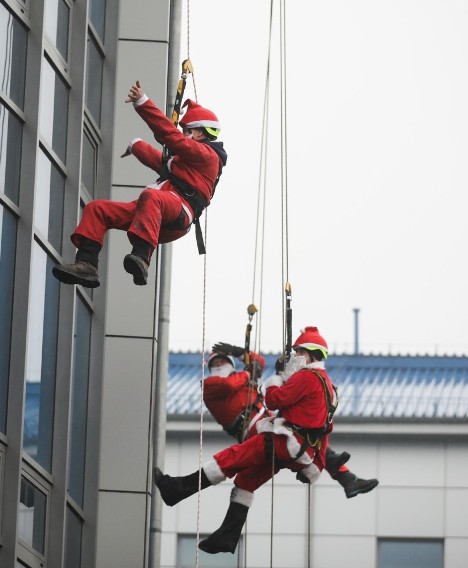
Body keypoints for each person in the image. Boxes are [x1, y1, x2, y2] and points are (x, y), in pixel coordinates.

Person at [153, 327, 343, 554]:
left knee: (231, 458)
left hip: (281, 441)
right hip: (297, 449)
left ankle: (178, 489)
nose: (296, 357)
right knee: (246, 479)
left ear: (311, 355)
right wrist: (316, 466)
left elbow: (274, 400)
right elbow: (325, 431)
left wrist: (277, 378)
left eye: (299, 352)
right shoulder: (329, 387)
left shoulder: (306, 377)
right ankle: (227, 536)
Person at [52, 80, 227, 288]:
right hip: (154, 210)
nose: (183, 135)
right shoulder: (185, 162)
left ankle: (142, 258)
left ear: (199, 133)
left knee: (151, 197)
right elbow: (160, 161)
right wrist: (136, 145)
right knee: (97, 209)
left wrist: (143, 103)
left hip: (178, 210)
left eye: (187, 130)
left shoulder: (208, 157)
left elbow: (171, 139)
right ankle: (87, 264)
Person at [204, 342, 379, 499]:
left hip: (267, 421)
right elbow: (229, 384)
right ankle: (339, 469)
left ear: (231, 365)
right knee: (303, 436)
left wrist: (238, 352)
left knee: (308, 435)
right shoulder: (211, 386)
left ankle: (347, 478)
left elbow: (259, 362)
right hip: (252, 428)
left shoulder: (241, 380)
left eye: (222, 361)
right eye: (215, 363)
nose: (219, 365)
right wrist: (249, 372)